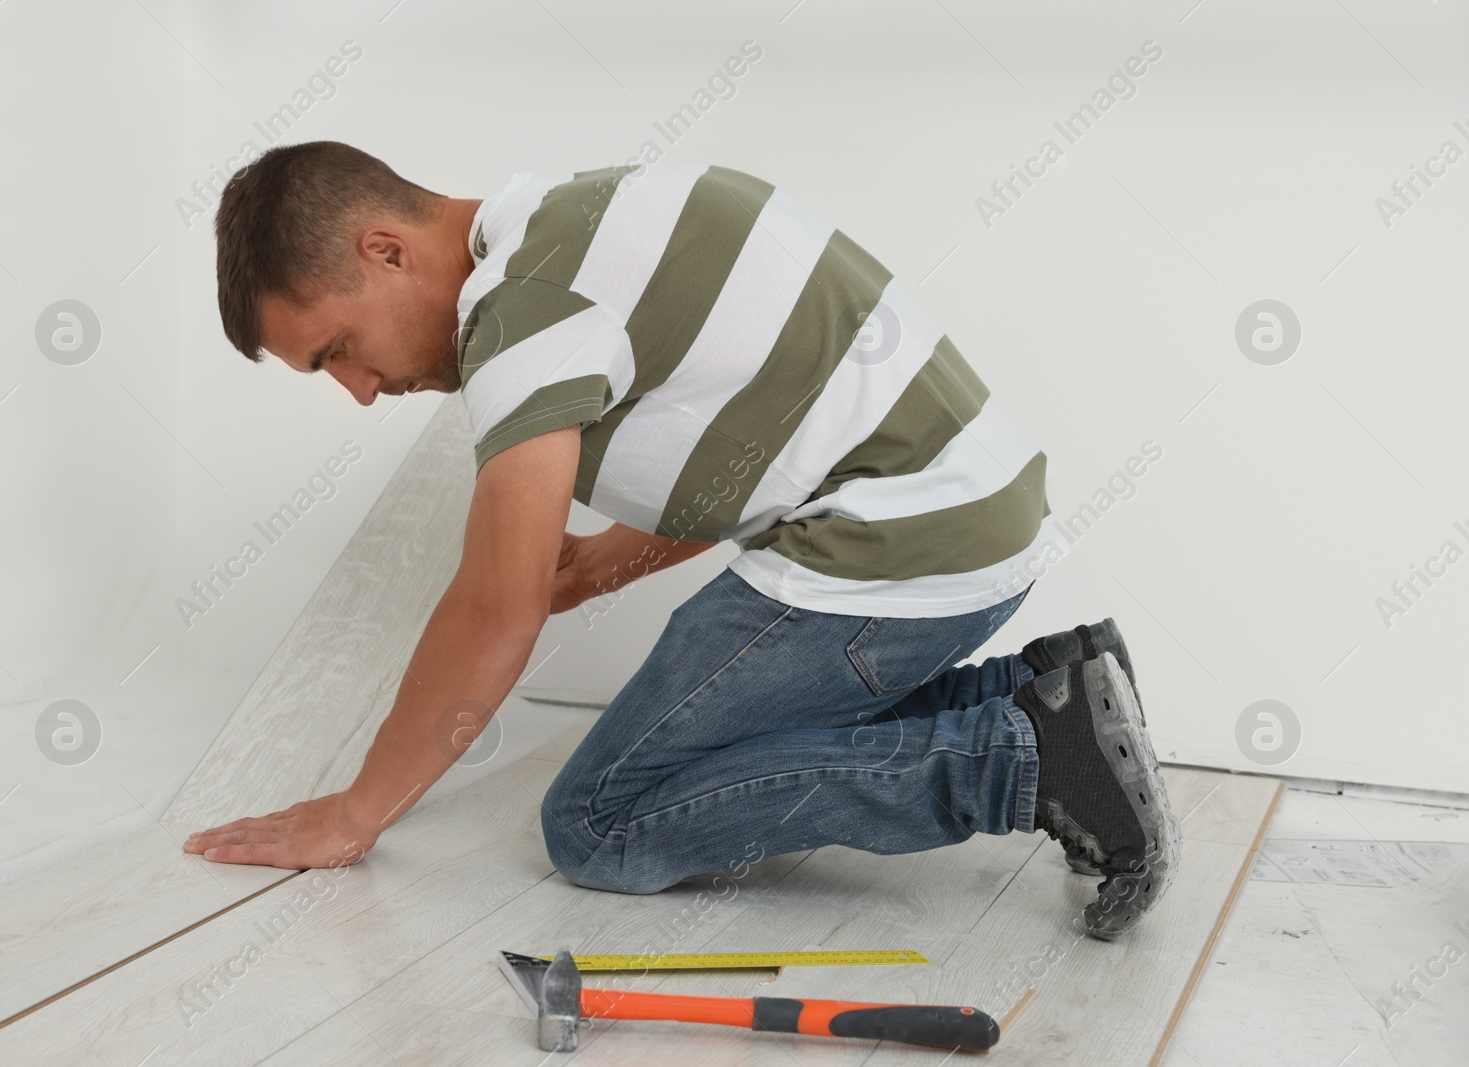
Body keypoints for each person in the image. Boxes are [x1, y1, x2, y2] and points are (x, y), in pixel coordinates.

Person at [184, 141, 1180, 939]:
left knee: (601, 820)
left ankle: (1026, 761)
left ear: (384, 250)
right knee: (715, 748)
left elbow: (494, 608)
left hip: (893, 553)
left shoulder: (517, 317)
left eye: (337, 352)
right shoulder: (570, 217)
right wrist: (593, 566)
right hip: (963, 525)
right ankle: (1046, 690)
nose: (359, 392)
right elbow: (740, 444)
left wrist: (355, 813)